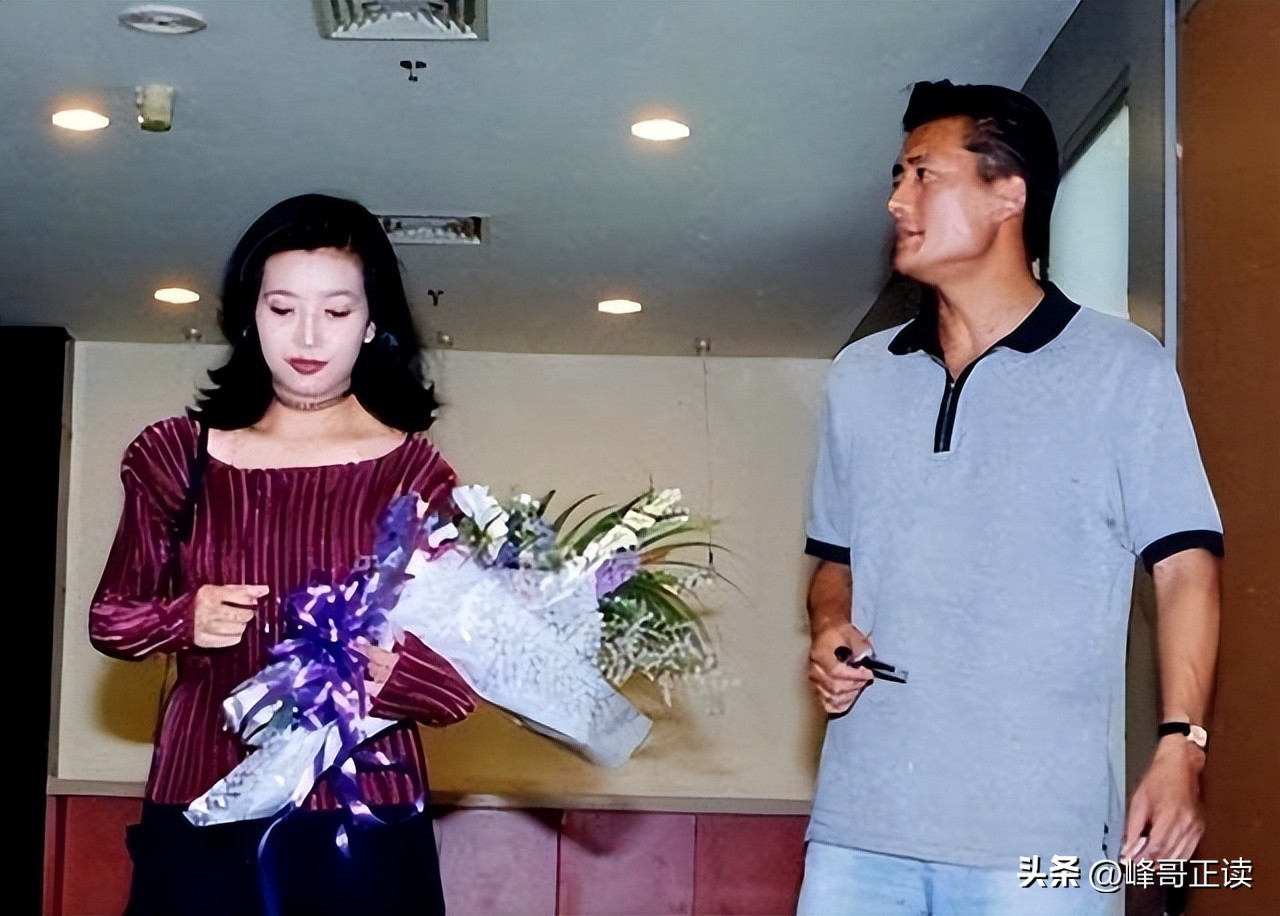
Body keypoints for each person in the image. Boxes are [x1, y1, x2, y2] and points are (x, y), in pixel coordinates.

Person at [797, 80, 1223, 915]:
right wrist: (828, 627)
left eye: (924, 174)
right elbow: (833, 562)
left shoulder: (1122, 368)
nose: (896, 200)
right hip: (858, 833)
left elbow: (1186, 570)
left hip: (1042, 844)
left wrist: (1183, 743)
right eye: (897, 177)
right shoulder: (857, 378)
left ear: (1008, 195)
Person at [89, 193, 478, 916]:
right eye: (281, 307)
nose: (307, 334)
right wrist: (184, 618)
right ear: (249, 316)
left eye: (336, 311)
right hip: (204, 794)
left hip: (363, 806)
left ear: (372, 325)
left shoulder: (416, 475)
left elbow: (461, 684)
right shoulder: (177, 455)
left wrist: (399, 675)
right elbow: (111, 617)